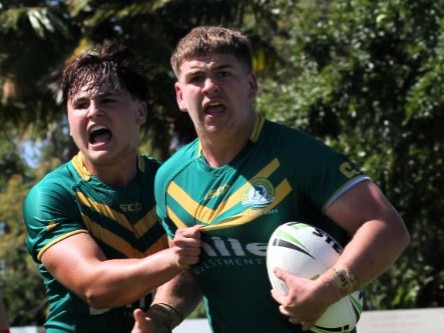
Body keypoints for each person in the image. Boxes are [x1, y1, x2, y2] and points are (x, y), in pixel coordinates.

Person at [132, 26, 410, 333]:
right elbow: (189, 272)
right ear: (181, 96)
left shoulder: (299, 156)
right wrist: (162, 318)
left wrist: (329, 290)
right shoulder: (170, 179)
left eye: (224, 73)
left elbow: (387, 228)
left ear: (251, 84)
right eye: (196, 78)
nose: (210, 86)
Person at [22, 40, 201, 332]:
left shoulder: (172, 183)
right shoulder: (52, 195)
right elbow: (95, 285)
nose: (93, 112)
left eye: (107, 100)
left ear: (140, 112)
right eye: (80, 104)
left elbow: (194, 272)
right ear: (69, 122)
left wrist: (161, 317)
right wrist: (178, 256)